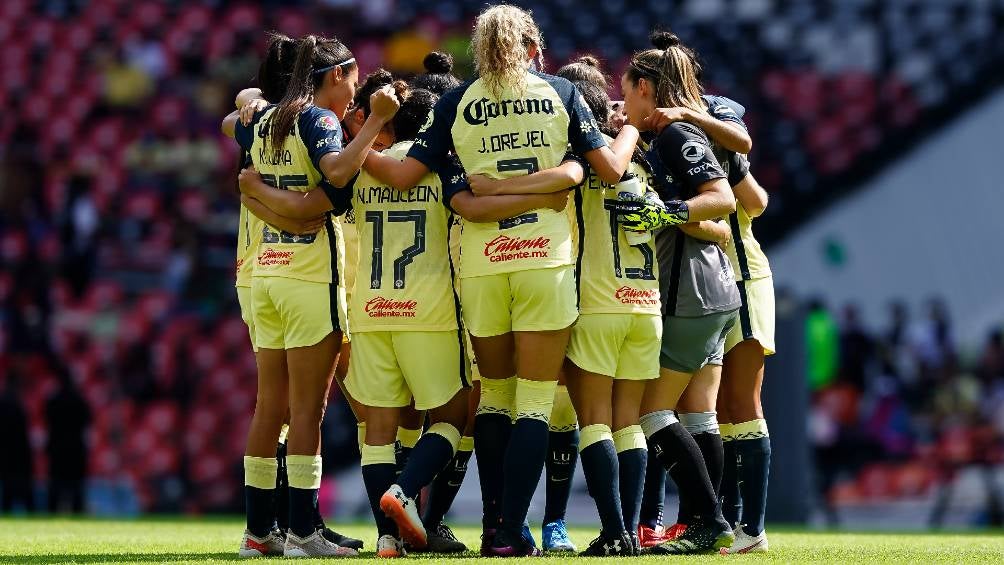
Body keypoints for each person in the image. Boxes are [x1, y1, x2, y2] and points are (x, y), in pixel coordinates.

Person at [363, 4, 639, 556]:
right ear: (532, 44)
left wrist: (349, 147)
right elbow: (608, 170)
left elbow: (401, 173)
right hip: (545, 260)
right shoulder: (561, 93)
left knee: (494, 400)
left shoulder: (455, 102)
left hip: (484, 263)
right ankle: (513, 533)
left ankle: (492, 528)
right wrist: (610, 140)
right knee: (535, 402)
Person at [222, 33, 400, 557]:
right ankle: (304, 531)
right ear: (335, 75)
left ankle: (259, 533)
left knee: (268, 407)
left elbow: (235, 118)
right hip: (307, 277)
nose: (353, 91)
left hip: (267, 275)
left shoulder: (265, 118)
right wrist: (372, 122)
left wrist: (256, 189)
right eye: (351, 79)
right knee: (306, 412)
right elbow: (337, 173)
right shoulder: (318, 119)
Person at [606, 30, 741, 554]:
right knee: (699, 417)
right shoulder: (665, 134)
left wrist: (668, 212)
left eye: (628, 90)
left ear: (644, 87)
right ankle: (706, 523)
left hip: (692, 293)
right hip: (710, 291)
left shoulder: (673, 135)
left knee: (651, 414)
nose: (625, 101)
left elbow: (723, 200)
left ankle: (710, 522)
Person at [45, 365, 92, 513]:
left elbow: (47, 420)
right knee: (76, 491)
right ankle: (77, 517)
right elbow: (87, 421)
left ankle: (51, 518)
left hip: (57, 450)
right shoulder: (79, 400)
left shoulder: (53, 401)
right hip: (75, 450)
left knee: (56, 490)